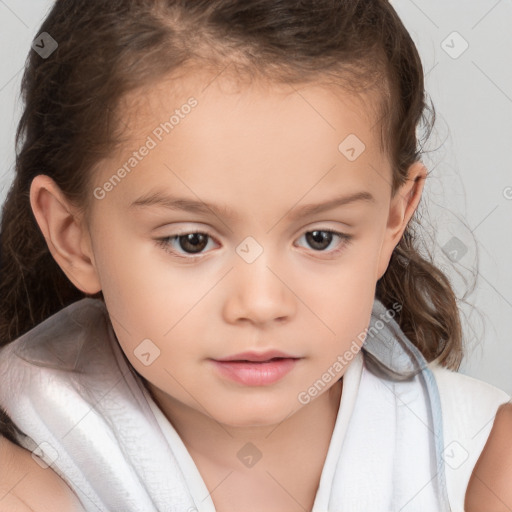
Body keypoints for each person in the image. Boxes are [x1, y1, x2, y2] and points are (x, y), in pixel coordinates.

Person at [0, 1, 509, 511]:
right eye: (192, 241)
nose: (262, 304)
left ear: (391, 221)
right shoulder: (23, 480)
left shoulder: (483, 463)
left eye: (320, 238)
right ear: (73, 235)